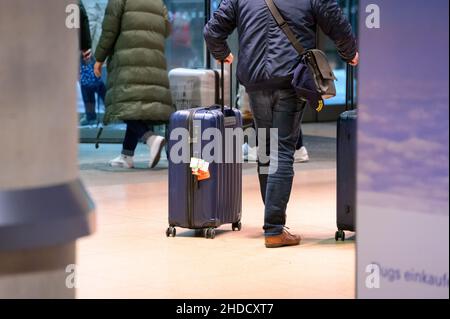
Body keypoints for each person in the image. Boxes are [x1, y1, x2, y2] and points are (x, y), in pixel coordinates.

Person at [204, 0, 358, 248]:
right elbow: (334, 18)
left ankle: (273, 219)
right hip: (290, 78)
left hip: (255, 81)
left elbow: (212, 30)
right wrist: (349, 51)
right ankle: (274, 228)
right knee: (282, 150)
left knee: (266, 148)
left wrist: (223, 53)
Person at [93, 0, 173, 169]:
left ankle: (150, 139)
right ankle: (126, 155)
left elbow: (109, 30)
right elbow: (167, 28)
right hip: (153, 61)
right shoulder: (158, 2)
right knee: (135, 107)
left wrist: (99, 58)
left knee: (123, 104)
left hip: (128, 60)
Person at [79, 1, 107, 126]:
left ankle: (91, 116)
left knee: (88, 82)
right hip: (100, 42)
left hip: (89, 45)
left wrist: (85, 46)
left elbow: (90, 20)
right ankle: (108, 110)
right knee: (95, 80)